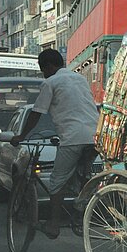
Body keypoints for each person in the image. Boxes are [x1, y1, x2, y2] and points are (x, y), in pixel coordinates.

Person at [11, 48, 98, 239]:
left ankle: (53, 225)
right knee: (82, 177)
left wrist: (21, 135)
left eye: (43, 70)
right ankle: (80, 212)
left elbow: (36, 113)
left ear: (48, 67)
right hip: (95, 136)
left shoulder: (50, 82)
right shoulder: (80, 79)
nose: (44, 73)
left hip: (73, 138)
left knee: (57, 182)